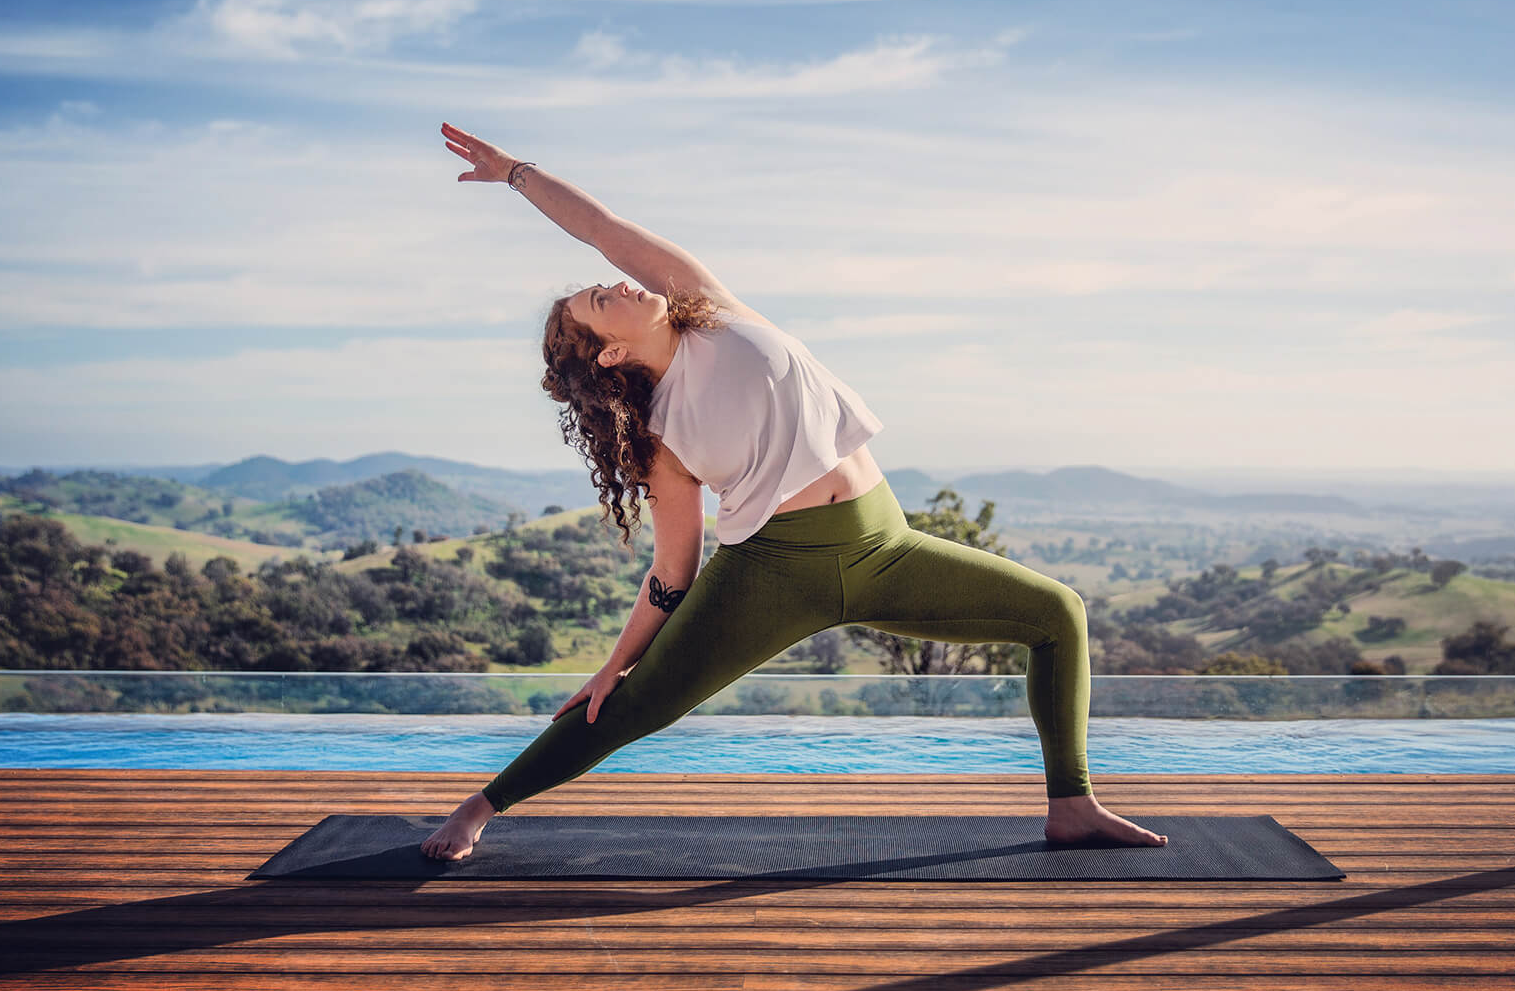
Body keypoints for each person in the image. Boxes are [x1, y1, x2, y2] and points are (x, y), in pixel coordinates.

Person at [420, 122, 1168, 861]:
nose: (619, 283)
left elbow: (602, 228)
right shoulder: (658, 437)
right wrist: (616, 663)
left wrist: (516, 173)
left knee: (1056, 613)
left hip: (885, 548)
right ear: (610, 350)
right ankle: (479, 808)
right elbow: (673, 569)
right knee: (633, 704)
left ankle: (1071, 806)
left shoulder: (705, 305)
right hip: (770, 573)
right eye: (600, 299)